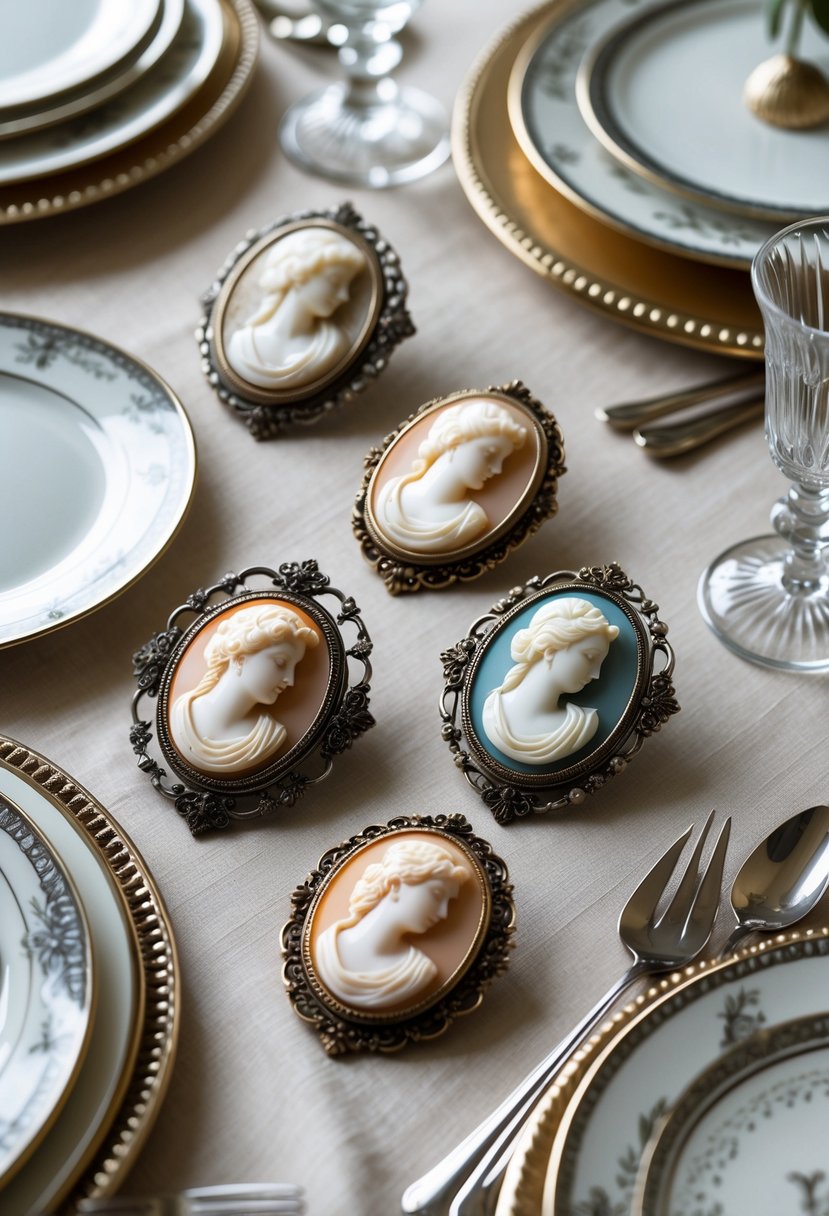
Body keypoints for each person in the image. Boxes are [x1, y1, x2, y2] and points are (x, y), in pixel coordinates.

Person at [314, 839, 470, 1011]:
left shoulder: (416, 973)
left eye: (448, 902)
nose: (443, 913)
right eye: (437, 894)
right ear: (395, 885)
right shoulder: (324, 945)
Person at [170, 602, 319, 775]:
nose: (290, 680)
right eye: (281, 662)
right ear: (240, 658)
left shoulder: (266, 739)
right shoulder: (181, 711)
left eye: (294, 667)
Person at [375, 398, 527, 554]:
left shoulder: (470, 521)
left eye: (502, 460)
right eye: (489, 453)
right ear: (454, 441)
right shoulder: (389, 494)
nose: (497, 469)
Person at [482, 597, 619, 765]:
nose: (596, 674)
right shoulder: (492, 709)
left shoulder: (580, 726)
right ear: (551, 649)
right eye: (590, 657)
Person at [226, 227, 366, 391]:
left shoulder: (332, 346)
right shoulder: (241, 344)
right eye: (335, 281)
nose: (344, 296)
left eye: (347, 286)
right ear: (298, 275)